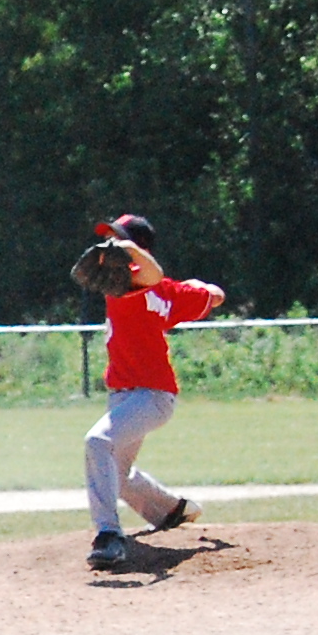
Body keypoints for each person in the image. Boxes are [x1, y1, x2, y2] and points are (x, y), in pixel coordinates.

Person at [81, 214, 225, 570]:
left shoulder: (140, 282)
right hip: (126, 396)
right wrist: (198, 285)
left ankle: (108, 535)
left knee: (97, 442)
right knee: (117, 473)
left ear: (138, 250)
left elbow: (154, 275)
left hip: (152, 396)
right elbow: (215, 296)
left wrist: (132, 254)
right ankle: (171, 510)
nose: (109, 248)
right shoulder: (165, 291)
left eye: (119, 240)